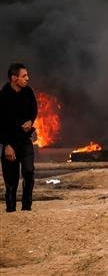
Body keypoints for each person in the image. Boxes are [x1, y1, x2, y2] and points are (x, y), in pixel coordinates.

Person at [0, 63, 38, 212]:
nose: (27, 78)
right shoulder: (3, 97)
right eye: (24, 76)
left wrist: (30, 121)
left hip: (25, 141)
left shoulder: (28, 92)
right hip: (10, 144)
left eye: (27, 75)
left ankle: (27, 207)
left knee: (29, 172)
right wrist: (6, 145)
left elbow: (34, 110)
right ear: (14, 78)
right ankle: (11, 209)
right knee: (11, 180)